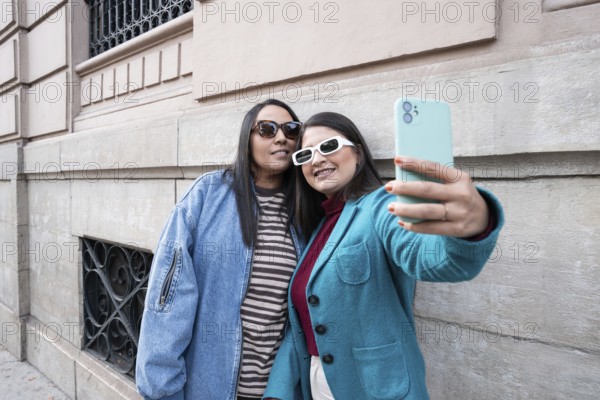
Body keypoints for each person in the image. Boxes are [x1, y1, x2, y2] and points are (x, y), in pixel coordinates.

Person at [263, 112, 504, 400]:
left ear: (358, 153)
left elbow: (430, 258)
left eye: (328, 146)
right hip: (316, 384)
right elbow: (305, 321)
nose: (316, 160)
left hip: (378, 388)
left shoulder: (382, 205)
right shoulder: (321, 224)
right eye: (305, 154)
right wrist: (278, 390)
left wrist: (472, 228)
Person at [136, 99, 307, 400]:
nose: (281, 137)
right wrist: (162, 390)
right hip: (210, 387)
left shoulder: (306, 210)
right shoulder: (208, 195)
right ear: (247, 138)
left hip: (279, 390)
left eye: (291, 130)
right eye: (267, 129)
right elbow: (169, 302)